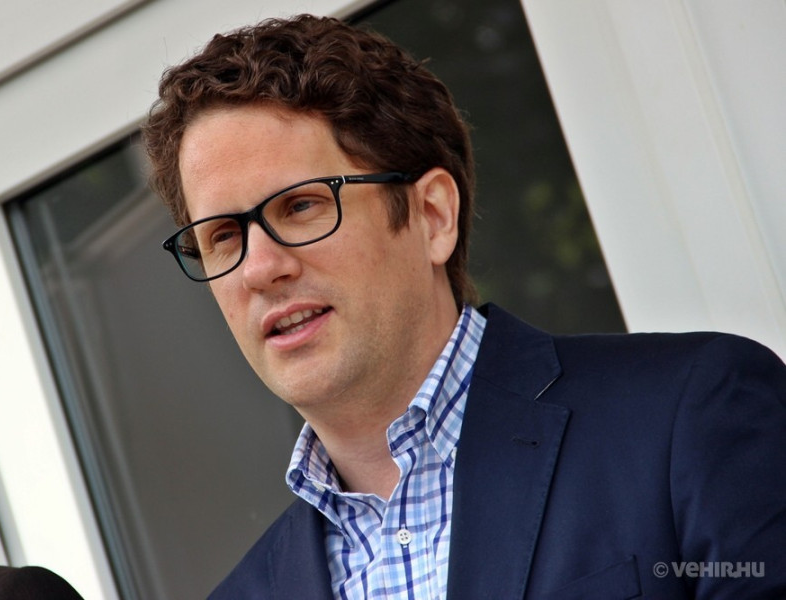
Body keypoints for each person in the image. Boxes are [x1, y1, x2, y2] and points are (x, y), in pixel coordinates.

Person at [143, 14, 786, 599]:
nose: (259, 268)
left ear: (432, 216)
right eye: (222, 236)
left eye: (302, 206)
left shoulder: (691, 417)